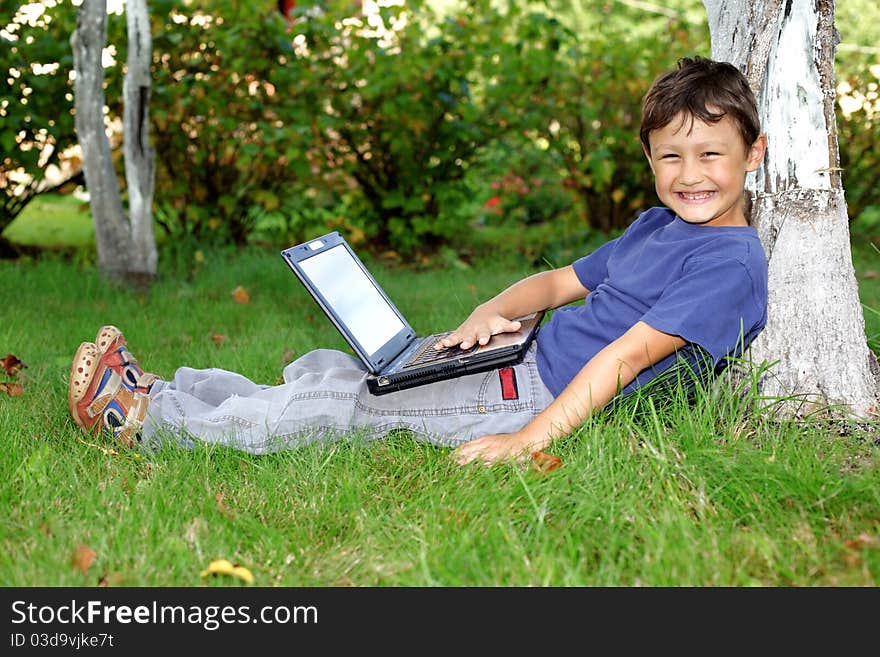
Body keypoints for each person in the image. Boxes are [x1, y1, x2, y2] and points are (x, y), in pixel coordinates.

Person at [67, 56, 769, 466]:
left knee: (344, 404)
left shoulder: (729, 265)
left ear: (754, 153)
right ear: (648, 159)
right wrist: (491, 314)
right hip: (519, 359)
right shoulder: (657, 223)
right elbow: (559, 282)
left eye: (711, 154)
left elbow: (625, 358)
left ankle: (140, 423)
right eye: (670, 156)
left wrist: (527, 441)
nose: (690, 174)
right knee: (337, 369)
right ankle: (167, 390)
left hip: (535, 394)